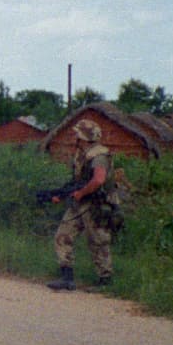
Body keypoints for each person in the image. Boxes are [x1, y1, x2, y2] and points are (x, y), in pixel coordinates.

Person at [47, 119, 118, 290]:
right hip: (79, 204)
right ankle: (67, 278)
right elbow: (77, 181)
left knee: (97, 241)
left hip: (96, 204)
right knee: (63, 235)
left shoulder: (99, 155)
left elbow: (98, 180)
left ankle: (105, 280)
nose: (74, 137)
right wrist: (62, 194)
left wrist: (80, 193)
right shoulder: (82, 153)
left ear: (85, 136)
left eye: (77, 134)